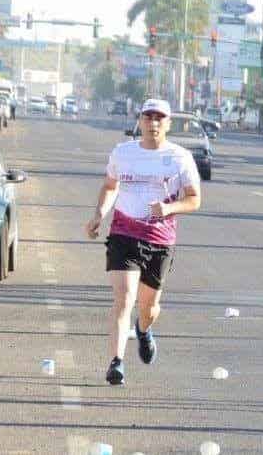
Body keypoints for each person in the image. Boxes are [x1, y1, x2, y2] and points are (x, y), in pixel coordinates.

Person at [84, 99, 202, 386]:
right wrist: (100, 213)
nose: (153, 123)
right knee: (124, 298)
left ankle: (144, 329)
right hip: (124, 233)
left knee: (148, 307)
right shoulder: (123, 153)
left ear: (169, 124)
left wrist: (169, 208)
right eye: (148, 117)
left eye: (159, 118)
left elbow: (194, 199)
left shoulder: (180, 157)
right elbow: (111, 186)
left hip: (159, 239)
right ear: (140, 121)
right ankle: (116, 362)